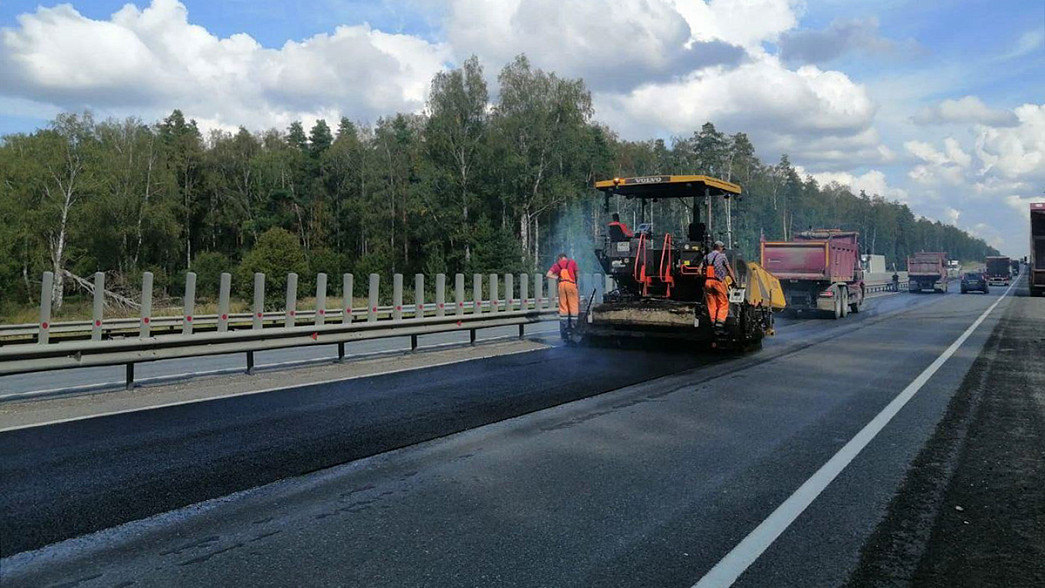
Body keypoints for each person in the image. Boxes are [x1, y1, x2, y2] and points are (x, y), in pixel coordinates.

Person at [698, 241, 737, 331]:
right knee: (723, 302)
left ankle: (712, 321)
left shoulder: (706, 257)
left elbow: (699, 270)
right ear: (719, 247)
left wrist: (704, 278)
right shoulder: (722, 256)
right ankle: (720, 322)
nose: (723, 250)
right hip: (718, 282)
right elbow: (729, 270)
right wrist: (734, 281)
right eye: (723, 248)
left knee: (711, 303)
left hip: (708, 282)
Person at [547, 253, 579, 341]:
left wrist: (557, 277)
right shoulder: (572, 262)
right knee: (573, 307)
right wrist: (576, 282)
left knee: (563, 307)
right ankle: (574, 328)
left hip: (561, 285)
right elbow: (577, 274)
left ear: (560, 258)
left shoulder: (557, 265)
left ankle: (564, 329)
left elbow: (548, 275)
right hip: (571, 284)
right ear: (565, 258)